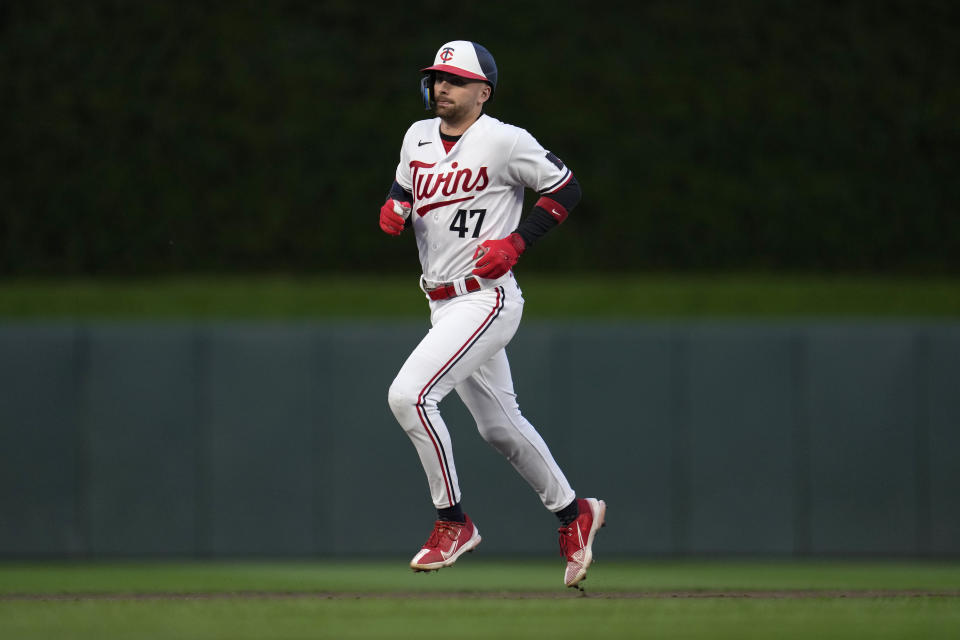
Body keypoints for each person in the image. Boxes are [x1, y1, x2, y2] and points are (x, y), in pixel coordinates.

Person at [378, 40, 605, 588]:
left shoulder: (504, 141)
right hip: (440, 302)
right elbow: (407, 183)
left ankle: (453, 522)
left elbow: (565, 187)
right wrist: (396, 204)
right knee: (500, 427)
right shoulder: (417, 135)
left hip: (486, 295)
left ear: (483, 91)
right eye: (436, 78)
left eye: (454, 80)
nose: (441, 87)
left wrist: (519, 241)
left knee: (409, 395)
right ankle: (573, 512)